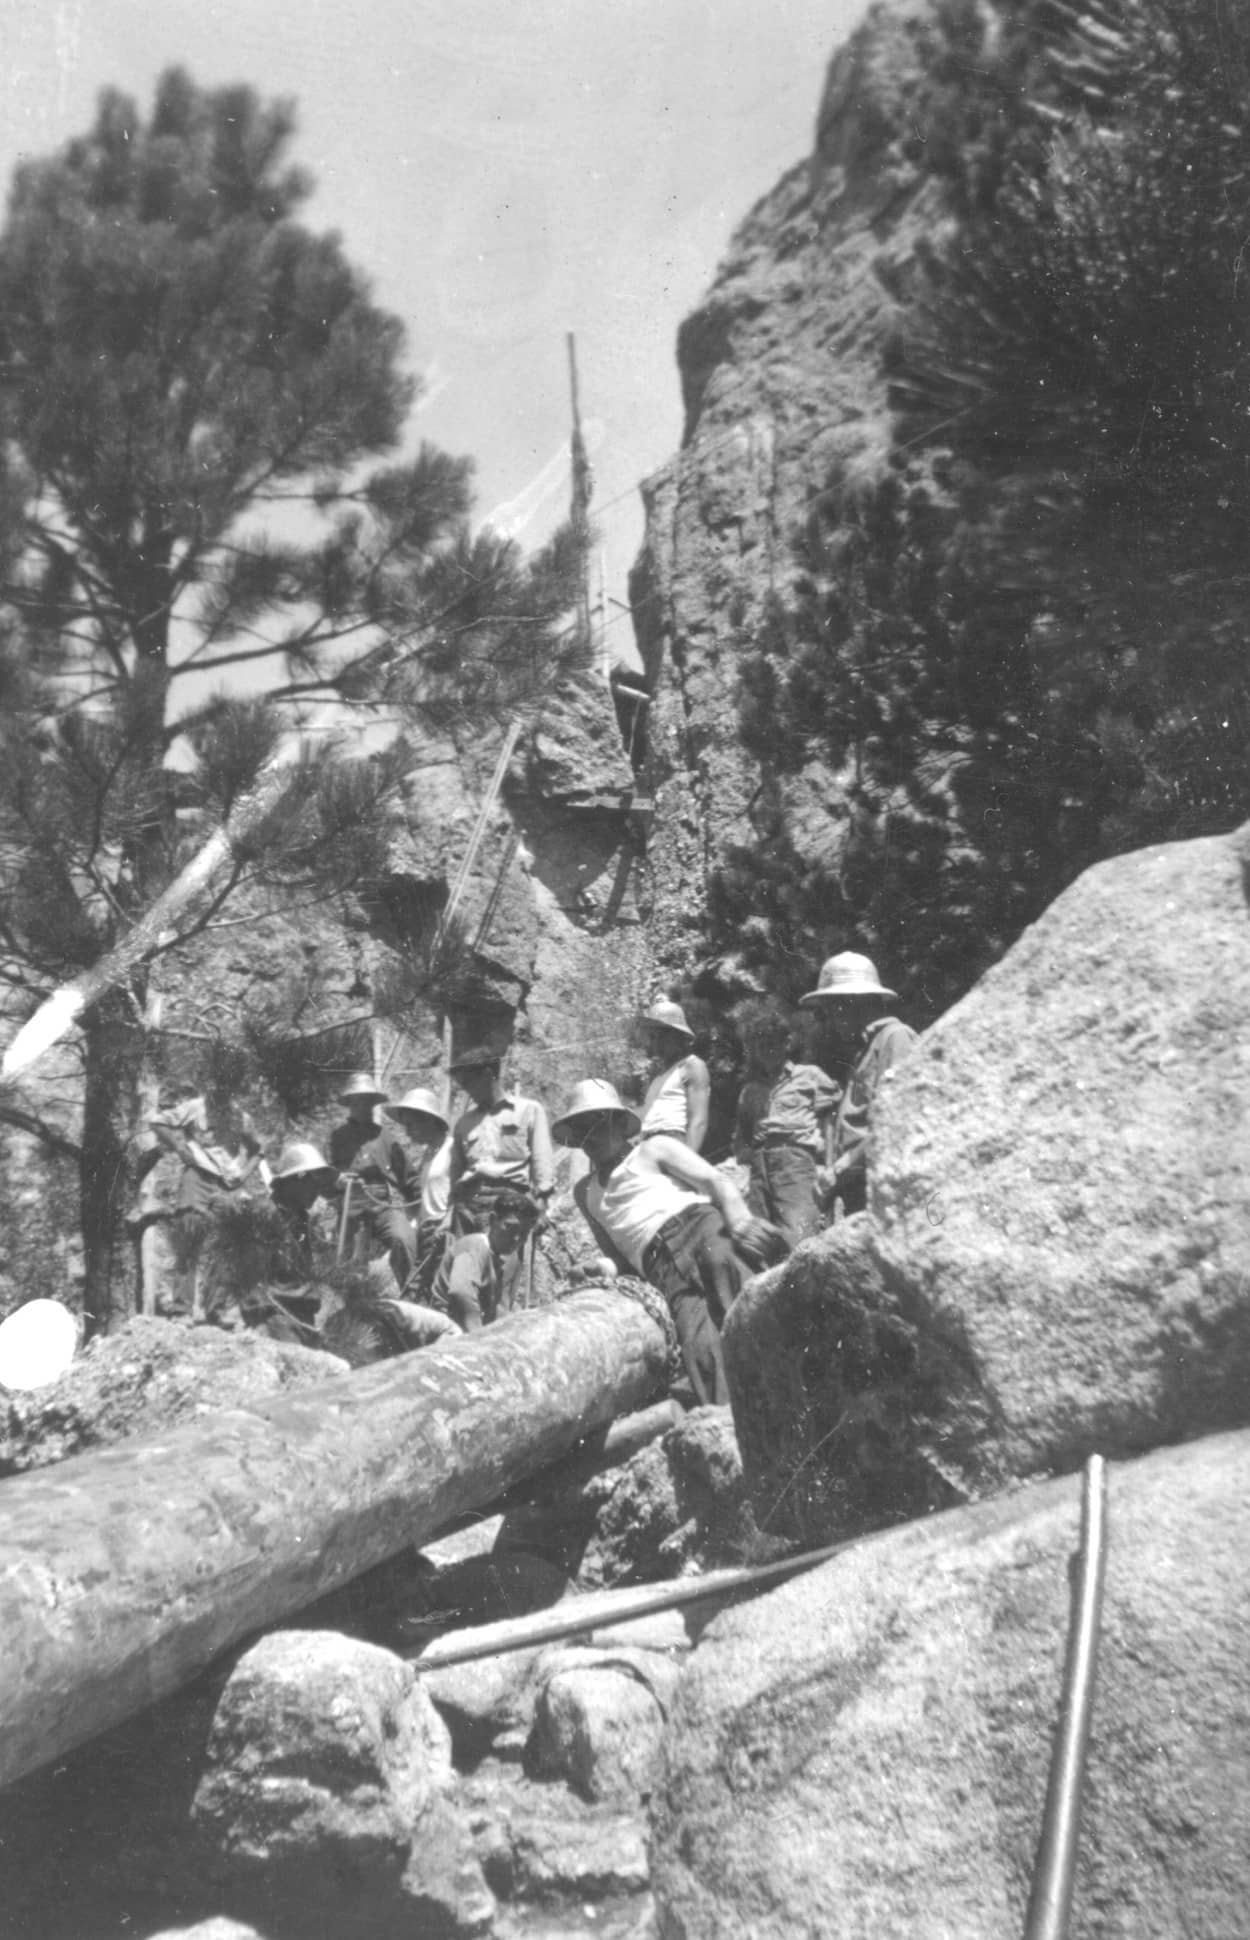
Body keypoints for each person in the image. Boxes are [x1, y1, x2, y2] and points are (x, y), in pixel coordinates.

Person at [554, 1079, 787, 1407]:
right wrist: (602, 1267)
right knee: (700, 1345)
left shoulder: (653, 1149)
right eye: (581, 1129)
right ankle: (734, 1426)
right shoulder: (586, 1193)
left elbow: (714, 1180)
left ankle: (790, 1395)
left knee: (741, 1299)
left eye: (597, 1124)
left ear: (621, 1124)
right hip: (660, 1268)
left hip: (700, 1229)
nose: (590, 1137)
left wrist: (738, 1219)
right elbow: (618, 1257)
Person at [799, 952, 917, 1216]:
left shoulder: (895, 1039)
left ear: (852, 1002)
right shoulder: (866, 1050)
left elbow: (896, 1123)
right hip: (860, 1184)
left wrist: (840, 1169)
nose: (829, 1019)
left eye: (831, 1009)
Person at [733, 1000, 841, 1247]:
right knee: (760, 1236)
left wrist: (831, 1165)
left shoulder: (809, 1076)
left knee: (799, 1234)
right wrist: (745, 1154)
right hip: (760, 1166)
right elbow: (741, 1136)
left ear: (787, 1043)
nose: (766, 1050)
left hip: (795, 1160)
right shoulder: (750, 1090)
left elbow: (831, 1118)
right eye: (760, 1045)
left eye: (772, 1043)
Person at [149, 1090, 264, 1318]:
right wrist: (179, 1146)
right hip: (197, 1175)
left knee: (225, 1244)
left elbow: (258, 1150)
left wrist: (243, 1175)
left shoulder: (241, 1117)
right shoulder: (195, 1106)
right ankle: (182, 1309)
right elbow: (158, 1121)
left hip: (224, 1182)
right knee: (189, 1234)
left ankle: (216, 1309)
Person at [446, 1046, 555, 1233]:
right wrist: (452, 1209)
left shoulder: (527, 1111)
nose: (466, 1090)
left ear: (488, 1074)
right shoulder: (464, 1123)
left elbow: (542, 1160)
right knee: (467, 1259)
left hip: (510, 1204)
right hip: (468, 1205)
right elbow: (456, 1170)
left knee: (504, 1261)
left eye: (468, 1082)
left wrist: (542, 1202)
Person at [327, 1072, 417, 1292]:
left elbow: (409, 1177)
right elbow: (325, 1178)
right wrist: (337, 1182)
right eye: (357, 1101)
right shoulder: (337, 1138)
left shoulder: (384, 1136)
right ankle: (352, 1309)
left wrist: (420, 1207)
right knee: (348, 1262)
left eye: (367, 1101)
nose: (362, 1106)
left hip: (382, 1206)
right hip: (351, 1207)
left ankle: (409, 1292)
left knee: (404, 1239)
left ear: (373, 1104)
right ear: (349, 1104)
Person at [429, 1187, 540, 1332]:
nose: (516, 1238)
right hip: (446, 1330)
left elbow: (500, 1308)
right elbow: (461, 1292)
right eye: (510, 1228)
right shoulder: (475, 1245)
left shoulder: (502, 1259)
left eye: (524, 1233)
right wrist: (479, 1337)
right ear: (494, 1220)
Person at [387, 1086, 454, 1289]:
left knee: (436, 1290)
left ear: (429, 1120)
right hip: (426, 1232)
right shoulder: (428, 1155)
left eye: (411, 1125)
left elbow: (462, 1190)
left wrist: (449, 1219)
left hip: (443, 1230)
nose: (407, 1132)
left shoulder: (452, 1149)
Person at [637, 998, 710, 1150]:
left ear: (675, 1035)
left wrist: (689, 1160)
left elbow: (698, 1120)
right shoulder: (658, 1077)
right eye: (652, 1036)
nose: (654, 1042)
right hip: (648, 1144)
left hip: (673, 1141)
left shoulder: (692, 1065)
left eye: (658, 1036)